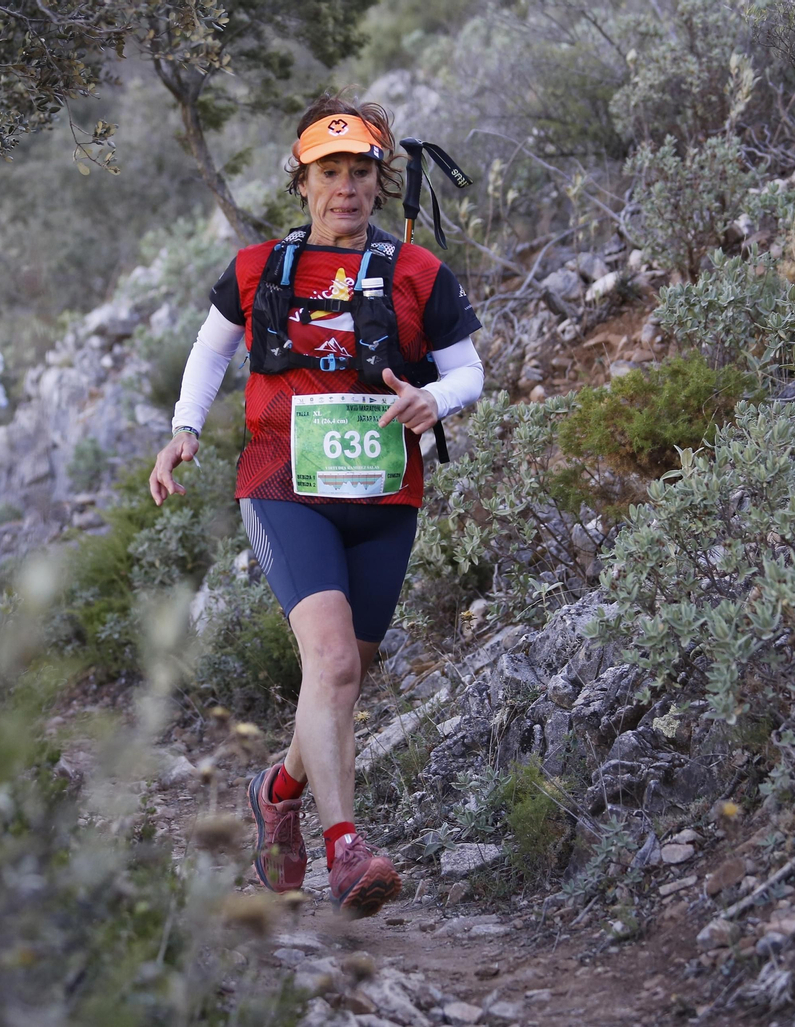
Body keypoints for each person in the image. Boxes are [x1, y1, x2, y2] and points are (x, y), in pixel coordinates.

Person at [148, 95, 484, 918]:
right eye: (329, 172)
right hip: (284, 486)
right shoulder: (258, 268)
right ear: (302, 183)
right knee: (330, 664)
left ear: (379, 180)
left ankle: (279, 788)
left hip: (383, 494)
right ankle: (346, 847)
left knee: (345, 677)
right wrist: (185, 429)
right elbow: (210, 351)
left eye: (360, 172)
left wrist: (435, 399)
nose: (346, 188)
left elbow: (469, 370)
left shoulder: (419, 272)